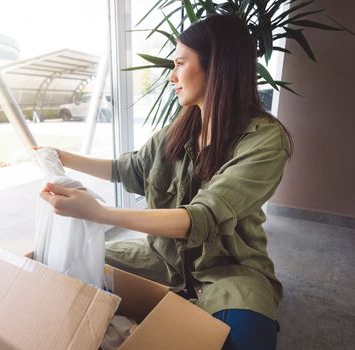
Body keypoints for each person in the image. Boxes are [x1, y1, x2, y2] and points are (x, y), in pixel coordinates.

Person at [39, 14, 292, 350]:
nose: (172, 76)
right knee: (70, 269)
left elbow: (200, 217)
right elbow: (130, 169)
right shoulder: (180, 128)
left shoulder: (265, 140)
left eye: (180, 63)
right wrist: (63, 157)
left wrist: (98, 213)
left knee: (248, 339)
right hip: (162, 257)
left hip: (228, 270)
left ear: (216, 66)